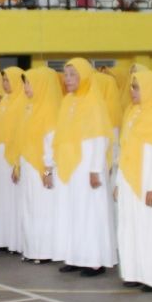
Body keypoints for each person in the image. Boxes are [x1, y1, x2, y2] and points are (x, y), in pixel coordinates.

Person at [54, 58, 116, 277]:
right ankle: (75, 257)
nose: (67, 78)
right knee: (72, 211)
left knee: (90, 212)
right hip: (70, 165)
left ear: (84, 76)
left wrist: (94, 169)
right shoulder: (67, 101)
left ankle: (94, 260)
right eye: (65, 74)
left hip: (87, 166)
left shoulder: (92, 101)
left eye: (72, 74)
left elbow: (99, 138)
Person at [115, 69, 152, 292]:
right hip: (130, 178)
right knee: (129, 226)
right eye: (131, 87)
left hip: (148, 180)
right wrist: (119, 183)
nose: (133, 91)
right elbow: (125, 149)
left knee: (150, 228)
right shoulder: (131, 113)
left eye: (137, 87)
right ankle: (133, 272)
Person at [16, 68, 62, 264]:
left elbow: (50, 143)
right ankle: (32, 249)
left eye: (29, 83)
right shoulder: (29, 109)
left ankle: (45, 251)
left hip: (41, 168)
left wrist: (47, 169)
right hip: (28, 167)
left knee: (43, 209)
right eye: (25, 83)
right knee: (29, 207)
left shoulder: (49, 110)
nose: (26, 87)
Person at [0, 66, 25, 253]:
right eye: (3, 80)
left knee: (13, 198)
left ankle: (15, 241)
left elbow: (20, 133)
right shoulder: (5, 102)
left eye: (8, 80)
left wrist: (17, 161)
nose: (4, 84)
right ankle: (3, 239)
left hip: (12, 154)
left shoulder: (22, 102)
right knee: (1, 197)